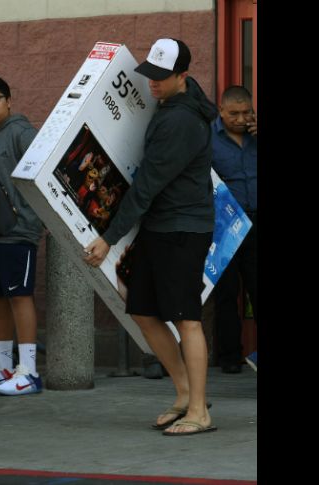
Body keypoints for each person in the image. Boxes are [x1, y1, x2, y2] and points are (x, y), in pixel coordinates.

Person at [83, 38, 219, 436]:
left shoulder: (180, 121)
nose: (152, 84)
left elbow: (148, 186)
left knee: (187, 319)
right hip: (159, 226)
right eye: (150, 76)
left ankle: (200, 411)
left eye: (162, 78)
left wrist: (109, 237)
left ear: (184, 77)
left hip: (182, 228)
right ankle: (183, 394)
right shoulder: (175, 104)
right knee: (142, 309)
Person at [0, 75, 45, 396]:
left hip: (19, 230)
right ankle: (2, 366)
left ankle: (28, 371)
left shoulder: (20, 131)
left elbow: (40, 173)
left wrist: (28, 216)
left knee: (20, 297)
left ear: (9, 101)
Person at [210, 85, 257, 374]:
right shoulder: (208, 139)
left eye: (246, 112)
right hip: (225, 225)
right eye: (234, 114)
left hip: (256, 223)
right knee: (226, 293)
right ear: (221, 111)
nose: (240, 119)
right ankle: (229, 356)